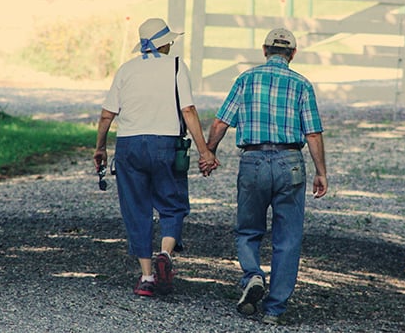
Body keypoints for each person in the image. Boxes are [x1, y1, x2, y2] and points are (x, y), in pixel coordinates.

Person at [203, 28, 328, 325]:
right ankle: (274, 310)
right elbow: (312, 132)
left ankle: (253, 275)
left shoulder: (246, 79)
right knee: (288, 237)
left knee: (248, 229)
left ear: (264, 50)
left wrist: (209, 152)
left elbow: (221, 122)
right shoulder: (302, 84)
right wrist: (321, 172)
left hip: (254, 160)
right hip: (290, 162)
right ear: (293, 54)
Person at [93, 18, 215, 297]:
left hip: (129, 146)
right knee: (172, 204)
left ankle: (147, 276)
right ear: (164, 42)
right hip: (166, 143)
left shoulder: (126, 70)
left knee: (136, 209)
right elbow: (188, 110)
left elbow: (106, 114)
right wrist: (204, 151)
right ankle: (166, 254)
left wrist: (100, 147)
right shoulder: (175, 66)